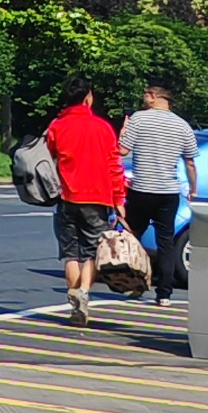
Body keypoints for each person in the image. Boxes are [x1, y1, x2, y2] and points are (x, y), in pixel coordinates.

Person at [42, 81, 128, 326]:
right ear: (88, 98)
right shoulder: (102, 128)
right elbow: (114, 165)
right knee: (91, 251)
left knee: (70, 252)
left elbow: (49, 158)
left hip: (67, 196)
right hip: (98, 197)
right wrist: (118, 198)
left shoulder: (57, 126)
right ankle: (84, 293)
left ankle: (73, 298)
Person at [116, 81, 199, 308]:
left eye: (146, 94)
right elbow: (190, 162)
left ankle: (135, 283)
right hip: (168, 192)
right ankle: (164, 293)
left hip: (142, 189)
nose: (144, 97)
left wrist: (123, 131)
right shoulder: (183, 126)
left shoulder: (139, 119)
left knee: (133, 237)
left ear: (154, 96)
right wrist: (193, 189)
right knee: (166, 243)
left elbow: (122, 150)